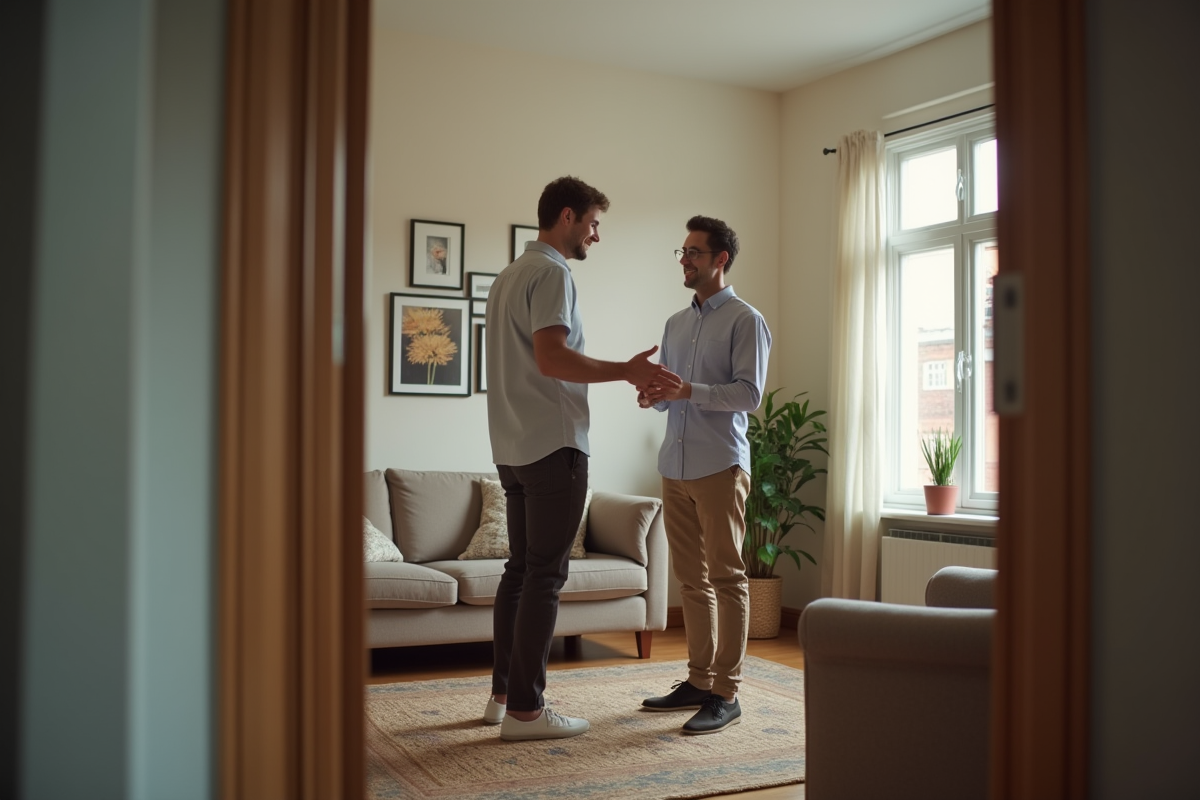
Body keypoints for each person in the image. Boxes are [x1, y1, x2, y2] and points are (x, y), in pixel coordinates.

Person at [484, 176, 681, 742]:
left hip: (514, 447)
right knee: (545, 575)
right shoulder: (551, 273)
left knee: (520, 572)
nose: (596, 234)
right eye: (593, 223)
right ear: (567, 216)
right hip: (554, 445)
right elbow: (552, 358)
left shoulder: (507, 277)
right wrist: (628, 370)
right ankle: (526, 710)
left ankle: (504, 695)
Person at [637, 215, 771, 735]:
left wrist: (688, 391)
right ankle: (697, 680)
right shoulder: (674, 324)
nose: (685, 259)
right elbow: (667, 396)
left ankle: (726, 693)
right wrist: (652, 397)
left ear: (721, 259)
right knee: (691, 581)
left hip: (720, 466)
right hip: (675, 464)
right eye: (683, 251)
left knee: (726, 577)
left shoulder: (745, 320)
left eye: (694, 252)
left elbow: (749, 395)